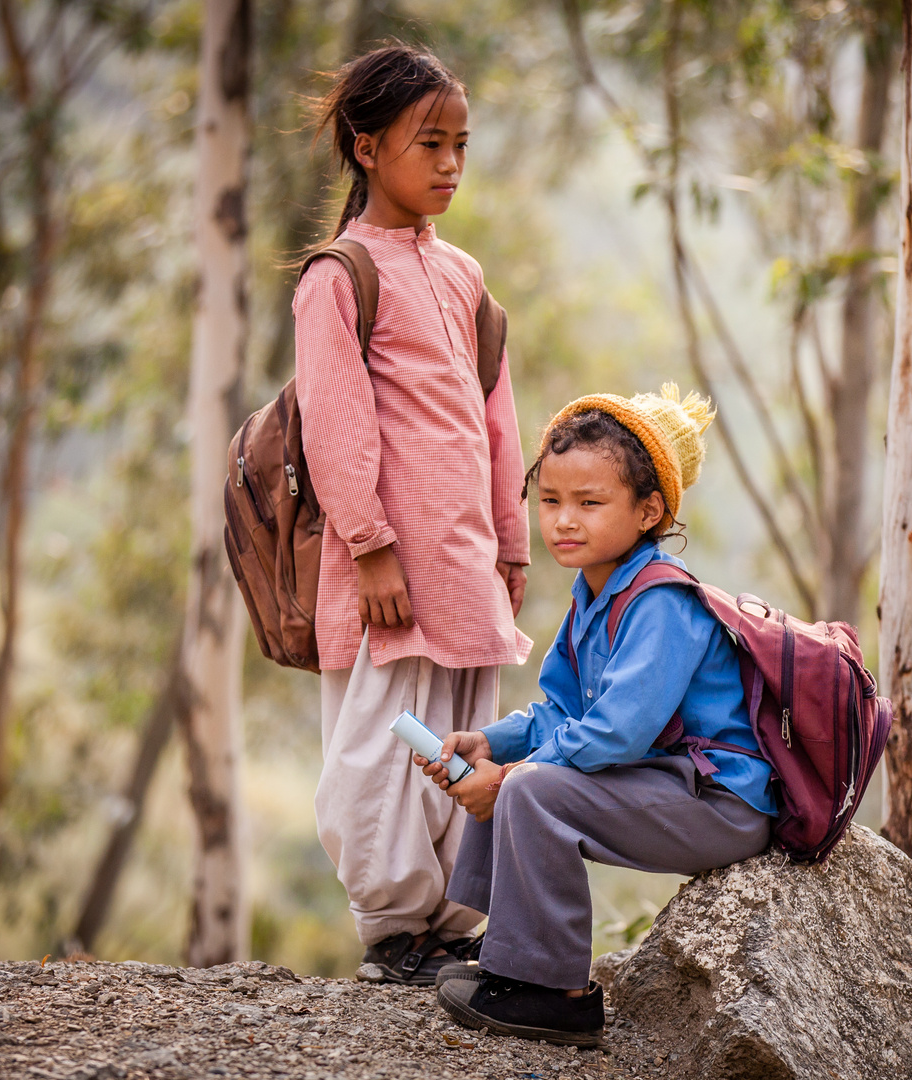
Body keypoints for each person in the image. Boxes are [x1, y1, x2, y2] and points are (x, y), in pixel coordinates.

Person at [416, 386, 776, 1047]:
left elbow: (618, 731)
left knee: (531, 785)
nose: (563, 521)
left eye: (590, 503)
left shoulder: (663, 601)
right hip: (671, 786)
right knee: (526, 774)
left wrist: (507, 774)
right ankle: (510, 961)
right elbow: (560, 709)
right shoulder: (594, 594)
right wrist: (489, 742)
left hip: (721, 804)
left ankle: (558, 994)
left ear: (649, 512)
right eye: (550, 501)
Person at [295, 44, 531, 985]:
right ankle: (395, 930)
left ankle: (450, 923)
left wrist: (511, 545)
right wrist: (371, 547)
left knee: (465, 730)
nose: (449, 165)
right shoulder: (339, 276)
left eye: (460, 145)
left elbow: (496, 420)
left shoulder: (467, 278)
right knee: (382, 745)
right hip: (388, 567)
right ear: (364, 147)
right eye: (428, 143)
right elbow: (337, 421)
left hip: (468, 560)